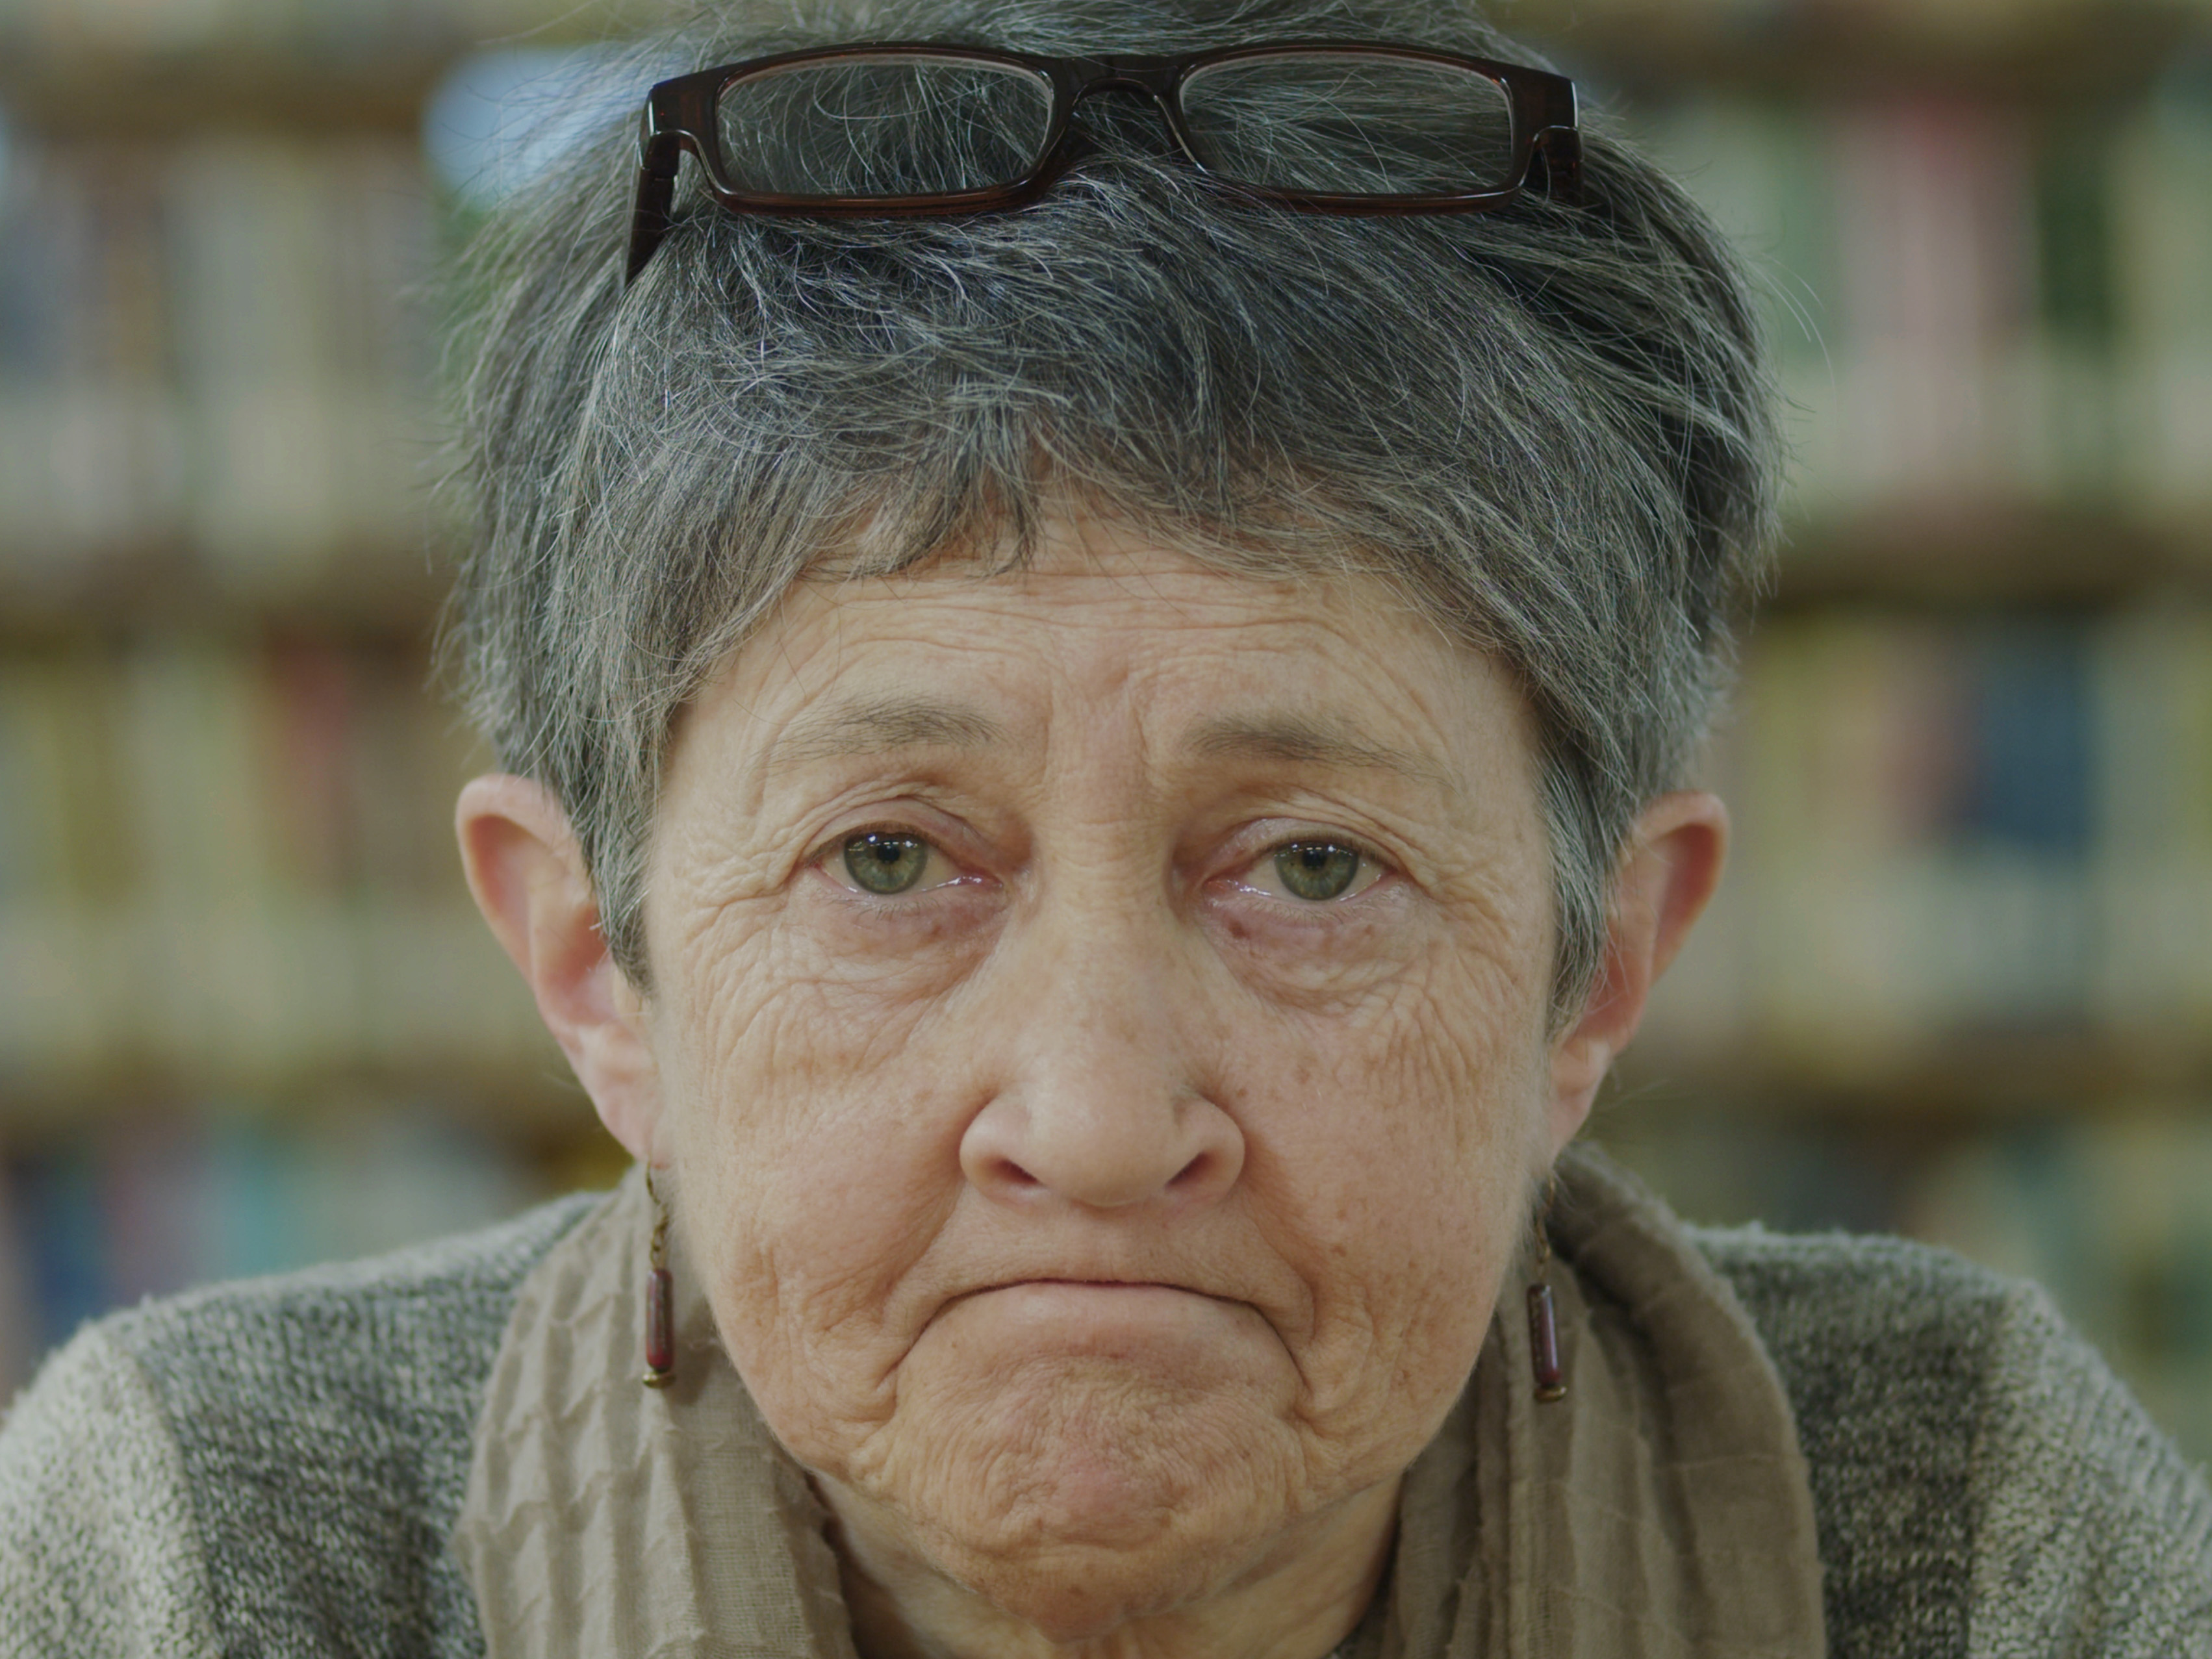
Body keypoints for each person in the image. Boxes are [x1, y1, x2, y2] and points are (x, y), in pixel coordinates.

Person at [4, 1, 2209, 1653]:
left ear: (1596, 961)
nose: (1095, 1114)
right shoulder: (205, 1553)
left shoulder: (1966, 1525)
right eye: (889, 859)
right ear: (594, 959)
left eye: (1313, 866)